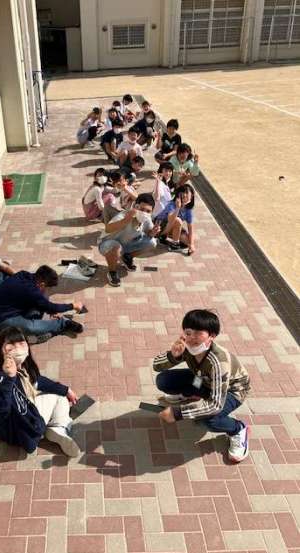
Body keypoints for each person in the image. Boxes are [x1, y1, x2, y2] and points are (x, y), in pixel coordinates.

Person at [153, 309, 250, 463]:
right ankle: (193, 394)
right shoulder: (186, 347)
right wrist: (173, 355)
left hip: (232, 391)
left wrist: (178, 413)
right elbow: (156, 366)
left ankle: (238, 429)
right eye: (188, 332)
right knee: (163, 381)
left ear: (212, 336)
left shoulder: (218, 362)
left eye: (198, 333)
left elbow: (216, 405)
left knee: (206, 420)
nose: (192, 337)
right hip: (203, 380)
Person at [0, 327, 80, 456]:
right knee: (60, 398)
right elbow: (1, 410)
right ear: (1, 350)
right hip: (14, 432)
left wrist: (66, 390)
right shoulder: (0, 376)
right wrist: (9, 378)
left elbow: (37, 381)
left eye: (21, 343)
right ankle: (59, 428)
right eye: (11, 346)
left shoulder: (21, 366)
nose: (18, 349)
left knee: (41, 390)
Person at [0, 265, 84, 343]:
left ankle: (37, 332)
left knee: (42, 300)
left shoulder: (24, 275)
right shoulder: (31, 291)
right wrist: (72, 305)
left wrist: (50, 310)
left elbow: (43, 301)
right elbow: (50, 305)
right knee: (30, 328)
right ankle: (63, 324)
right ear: (42, 284)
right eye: (48, 288)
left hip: (12, 309)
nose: (47, 290)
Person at [98, 193, 160, 287]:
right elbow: (108, 229)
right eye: (142, 209)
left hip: (125, 245)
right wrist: (125, 220)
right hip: (107, 244)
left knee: (152, 242)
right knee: (116, 247)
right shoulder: (124, 215)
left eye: (148, 211)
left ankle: (127, 257)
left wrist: (153, 232)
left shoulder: (147, 219)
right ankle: (112, 272)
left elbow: (149, 233)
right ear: (136, 206)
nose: (144, 213)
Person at [155, 184, 196, 254]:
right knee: (178, 221)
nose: (184, 195)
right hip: (159, 226)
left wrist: (191, 245)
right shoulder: (172, 204)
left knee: (189, 240)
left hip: (171, 227)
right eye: (182, 192)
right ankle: (174, 244)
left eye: (186, 192)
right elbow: (171, 219)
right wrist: (178, 208)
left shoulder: (188, 210)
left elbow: (190, 228)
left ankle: (165, 238)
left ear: (192, 195)